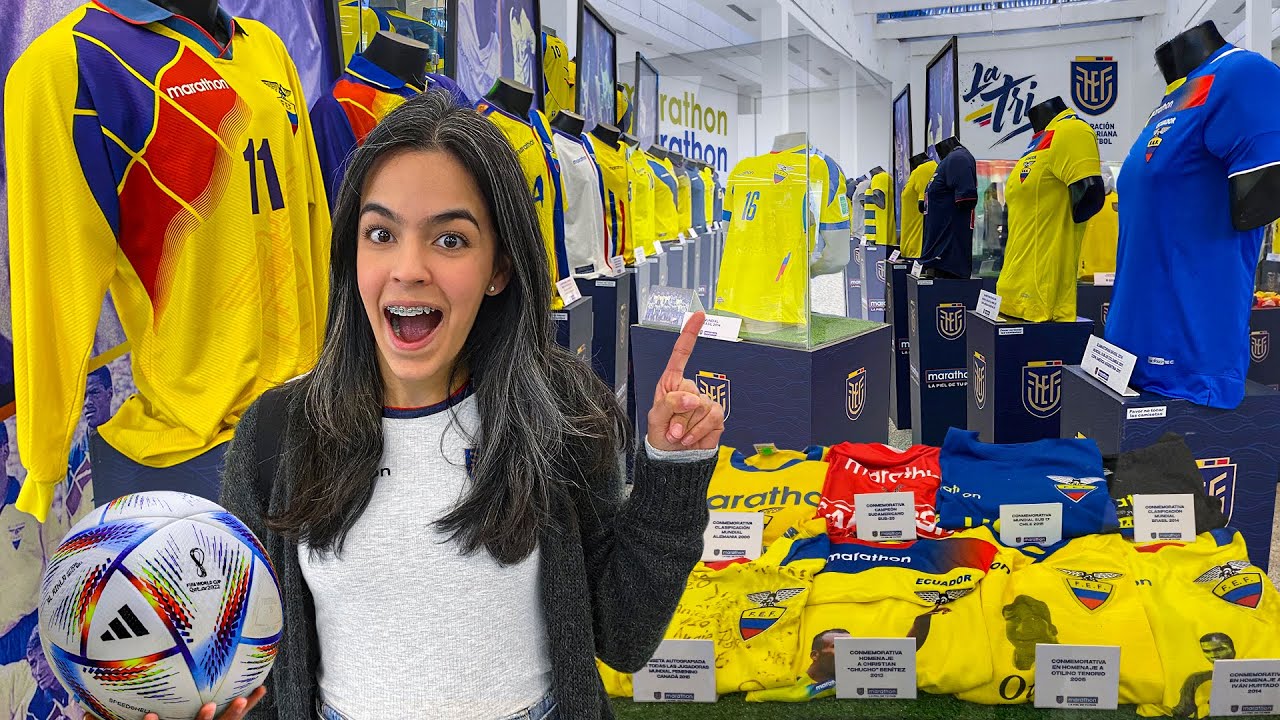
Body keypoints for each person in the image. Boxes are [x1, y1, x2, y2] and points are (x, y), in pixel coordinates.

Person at [192, 90, 724, 720]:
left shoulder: (557, 408)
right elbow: (251, 658)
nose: (409, 268)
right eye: (381, 233)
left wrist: (672, 469)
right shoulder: (278, 432)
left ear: (498, 267)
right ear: (352, 252)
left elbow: (624, 637)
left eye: (450, 241)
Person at [1002, 595, 1058, 671]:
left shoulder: (1068, 661)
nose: (1020, 629)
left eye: (1032, 620)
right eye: (1014, 620)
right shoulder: (998, 664)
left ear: (1052, 630)